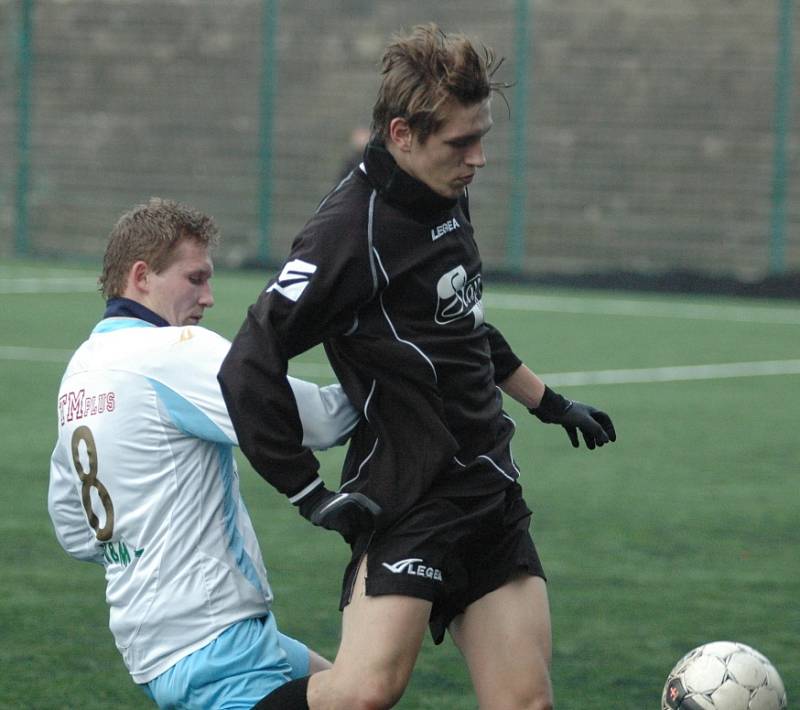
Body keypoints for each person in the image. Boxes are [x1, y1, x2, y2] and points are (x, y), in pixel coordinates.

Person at [219, 24, 616, 710]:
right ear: (402, 135)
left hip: (488, 487)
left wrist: (549, 403)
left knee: (527, 704)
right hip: (413, 495)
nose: (479, 159)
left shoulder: (444, 190)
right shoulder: (346, 233)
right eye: (461, 143)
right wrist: (309, 493)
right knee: (363, 693)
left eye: (482, 137)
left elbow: (460, 326)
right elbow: (246, 365)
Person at [47, 197, 361, 709]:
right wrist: (398, 368)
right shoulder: (176, 350)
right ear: (142, 276)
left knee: (359, 693)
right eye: (196, 279)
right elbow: (319, 421)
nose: (209, 297)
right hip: (215, 640)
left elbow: (75, 532)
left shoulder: (79, 373)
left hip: (151, 644)